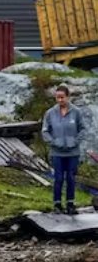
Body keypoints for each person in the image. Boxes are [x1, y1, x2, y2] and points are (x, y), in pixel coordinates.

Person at [42, 85, 87, 215]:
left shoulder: (76, 112)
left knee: (71, 178)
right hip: (57, 152)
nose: (60, 100)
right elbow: (45, 131)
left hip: (73, 152)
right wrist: (53, 142)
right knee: (59, 178)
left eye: (62, 97)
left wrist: (75, 141)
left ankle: (70, 204)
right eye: (57, 97)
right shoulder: (50, 113)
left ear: (68, 97)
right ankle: (57, 204)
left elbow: (83, 129)